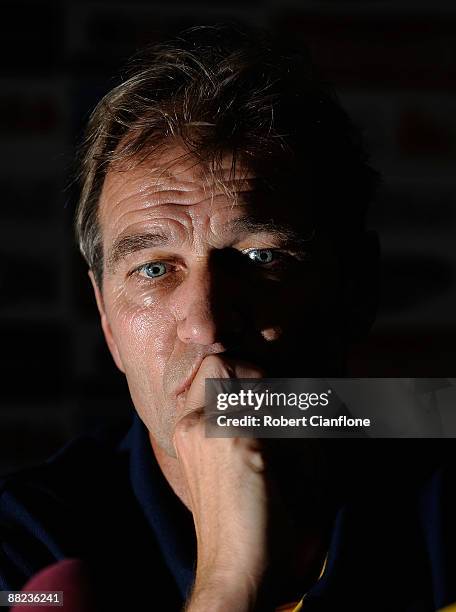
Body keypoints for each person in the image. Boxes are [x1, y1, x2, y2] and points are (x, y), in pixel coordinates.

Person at [1, 23, 455, 612]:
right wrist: (229, 579)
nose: (208, 326)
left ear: (356, 288)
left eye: (261, 257)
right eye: (154, 269)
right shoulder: (25, 547)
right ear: (107, 322)